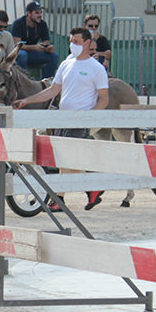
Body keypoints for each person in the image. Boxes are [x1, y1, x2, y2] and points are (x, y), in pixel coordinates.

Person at [12, 27, 109, 210]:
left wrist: (90, 117)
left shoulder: (96, 68)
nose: (73, 45)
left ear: (88, 43)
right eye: (71, 41)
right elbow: (52, 91)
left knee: (67, 159)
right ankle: (85, 191)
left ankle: (61, 197)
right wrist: (26, 101)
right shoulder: (66, 64)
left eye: (77, 42)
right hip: (62, 117)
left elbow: (104, 98)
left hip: (80, 119)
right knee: (64, 159)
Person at [11, 1, 59, 79]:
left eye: (40, 13)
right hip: (18, 54)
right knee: (23, 55)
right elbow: (16, 45)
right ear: (28, 13)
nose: (40, 15)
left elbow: (46, 41)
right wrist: (34, 47)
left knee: (54, 56)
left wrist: (48, 48)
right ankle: (22, 82)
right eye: (37, 13)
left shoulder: (42, 24)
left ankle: (46, 83)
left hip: (32, 54)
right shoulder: (18, 23)